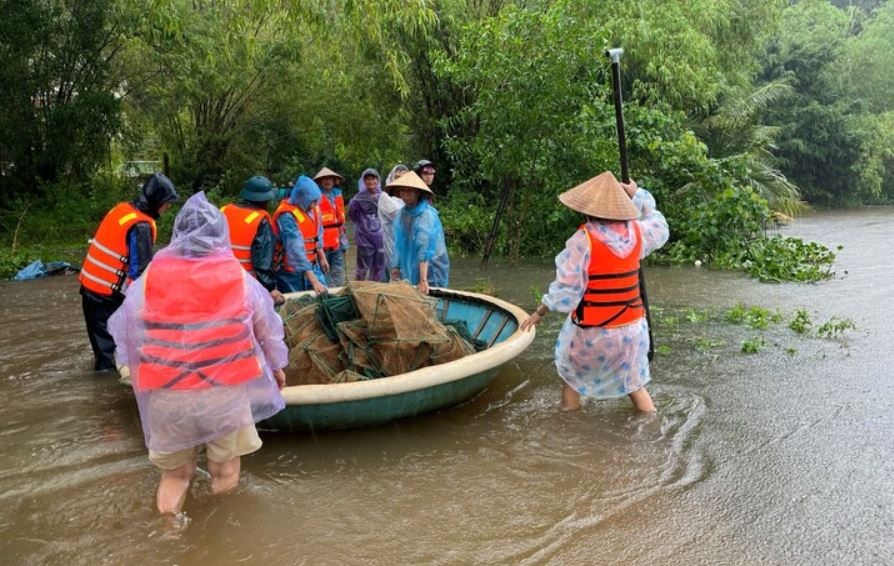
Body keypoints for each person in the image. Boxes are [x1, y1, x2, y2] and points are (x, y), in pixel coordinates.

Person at [107, 192, 287, 516]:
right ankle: (219, 536)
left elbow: (124, 332)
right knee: (225, 472)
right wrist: (277, 367)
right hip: (223, 393)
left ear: (177, 232)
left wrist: (131, 371)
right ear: (220, 233)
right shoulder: (237, 276)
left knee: (175, 476)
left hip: (167, 393)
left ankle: (169, 531)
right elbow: (267, 330)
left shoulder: (151, 278)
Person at [520, 171, 669, 413]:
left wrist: (540, 311)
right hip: (632, 329)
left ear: (588, 210)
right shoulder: (638, 233)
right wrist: (638, 193)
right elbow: (659, 222)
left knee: (572, 380)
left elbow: (566, 291)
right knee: (634, 384)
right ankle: (652, 429)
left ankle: (569, 429)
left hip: (596, 331)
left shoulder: (583, 240)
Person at [79, 173, 179, 372]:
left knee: (104, 349)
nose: (168, 208)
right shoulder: (141, 226)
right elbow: (140, 272)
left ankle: (102, 382)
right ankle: (107, 393)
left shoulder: (122, 210)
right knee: (113, 355)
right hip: (105, 297)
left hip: (91, 289)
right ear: (156, 199)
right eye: (166, 203)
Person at [220, 176, 284, 304]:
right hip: (246, 283)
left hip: (219, 277)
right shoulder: (261, 220)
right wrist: (269, 288)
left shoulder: (224, 210)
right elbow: (262, 259)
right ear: (265, 199)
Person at [385, 171, 449, 294]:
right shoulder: (403, 213)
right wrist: (396, 266)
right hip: (413, 259)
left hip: (432, 262)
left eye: (409, 191)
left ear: (418, 192)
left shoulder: (426, 215)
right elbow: (399, 242)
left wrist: (423, 280)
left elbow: (425, 249)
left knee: (432, 294)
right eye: (402, 191)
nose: (405, 195)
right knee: (414, 292)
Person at [273, 175, 328, 294]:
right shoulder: (287, 216)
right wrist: (314, 280)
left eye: (315, 201)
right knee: (298, 307)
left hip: (313, 265)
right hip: (291, 273)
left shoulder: (314, 208)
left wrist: (322, 256)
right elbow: (295, 250)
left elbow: (317, 235)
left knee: (324, 298)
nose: (314, 205)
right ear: (301, 197)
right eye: (311, 202)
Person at [348, 168, 386, 282]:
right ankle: (358, 289)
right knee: (362, 267)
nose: (370, 182)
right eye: (367, 179)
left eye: (373, 179)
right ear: (364, 181)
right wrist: (362, 224)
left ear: (377, 180)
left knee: (379, 265)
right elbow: (352, 214)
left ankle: (374, 289)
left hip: (380, 235)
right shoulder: (358, 198)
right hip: (364, 236)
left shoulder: (383, 196)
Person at [314, 167, 348, 287]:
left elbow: (342, 223)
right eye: (324, 179)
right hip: (323, 242)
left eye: (330, 178)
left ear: (334, 180)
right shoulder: (316, 196)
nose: (327, 181)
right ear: (319, 181)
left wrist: (344, 242)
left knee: (339, 269)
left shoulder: (338, 195)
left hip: (337, 240)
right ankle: (327, 295)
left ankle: (339, 292)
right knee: (324, 270)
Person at [380, 165, 409, 277]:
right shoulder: (385, 197)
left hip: (406, 243)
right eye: (397, 177)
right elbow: (401, 216)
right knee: (396, 276)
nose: (401, 180)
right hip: (392, 244)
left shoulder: (406, 196)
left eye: (404, 177)